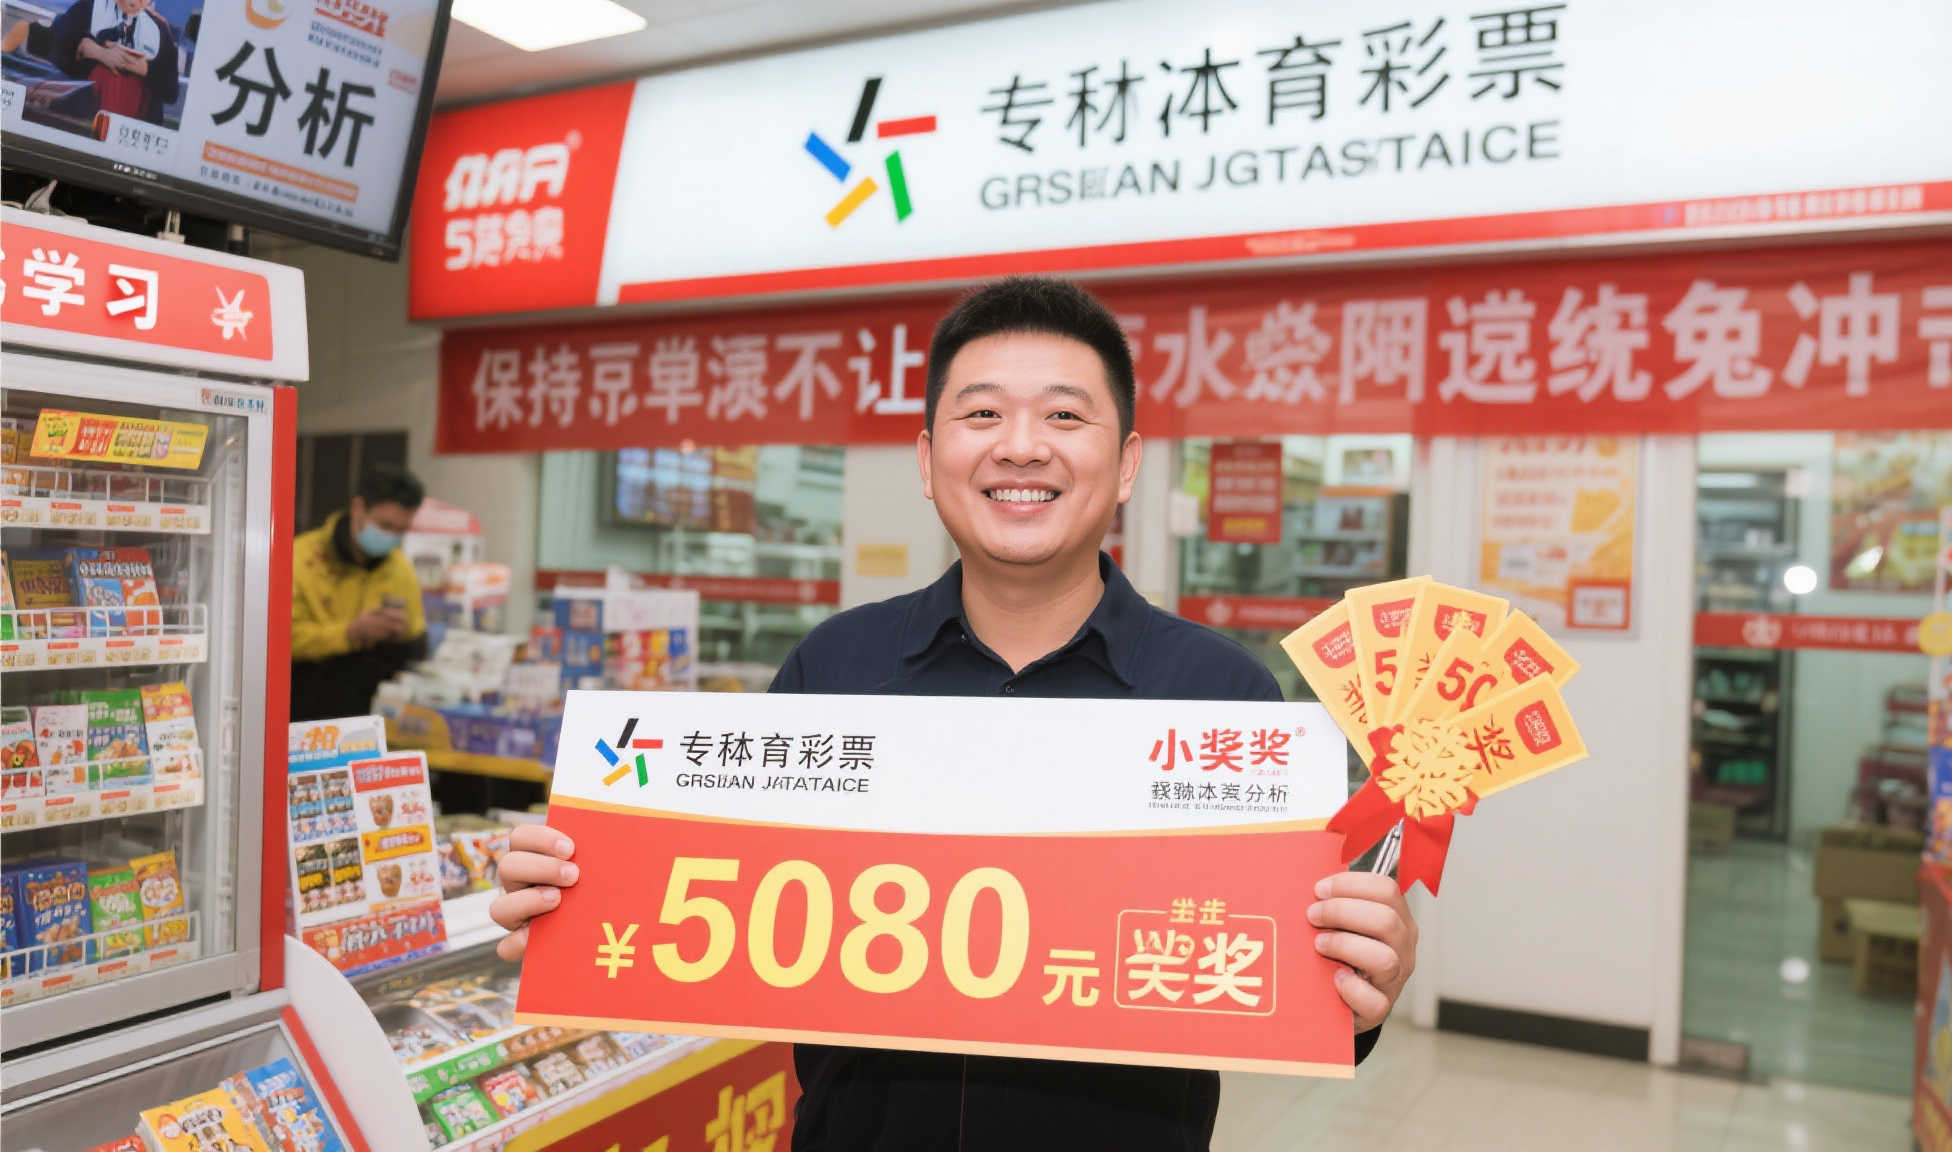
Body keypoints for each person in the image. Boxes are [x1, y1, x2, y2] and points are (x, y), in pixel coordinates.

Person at [490, 278, 1417, 1150]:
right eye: (982, 415)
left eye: (1065, 415)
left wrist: (1358, 976)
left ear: (1127, 464)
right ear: (929, 462)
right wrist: (580, 897)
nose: (1021, 447)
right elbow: (713, 909)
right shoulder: (832, 669)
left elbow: (1281, 979)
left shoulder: (1224, 697)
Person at [289, 465, 429, 722]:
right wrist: (350, 633)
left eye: (401, 530)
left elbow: (418, 639)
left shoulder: (400, 569)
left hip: (371, 715)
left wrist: (402, 633)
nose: (392, 537)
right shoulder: (299, 558)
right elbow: (282, 641)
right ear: (358, 508)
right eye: (385, 525)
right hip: (303, 708)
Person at [49, 0, 180, 128]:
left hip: (131, 128)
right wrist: (94, 51)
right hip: (83, 122)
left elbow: (171, 93)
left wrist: (146, 70)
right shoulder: (89, 7)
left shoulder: (159, 28)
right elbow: (52, 44)